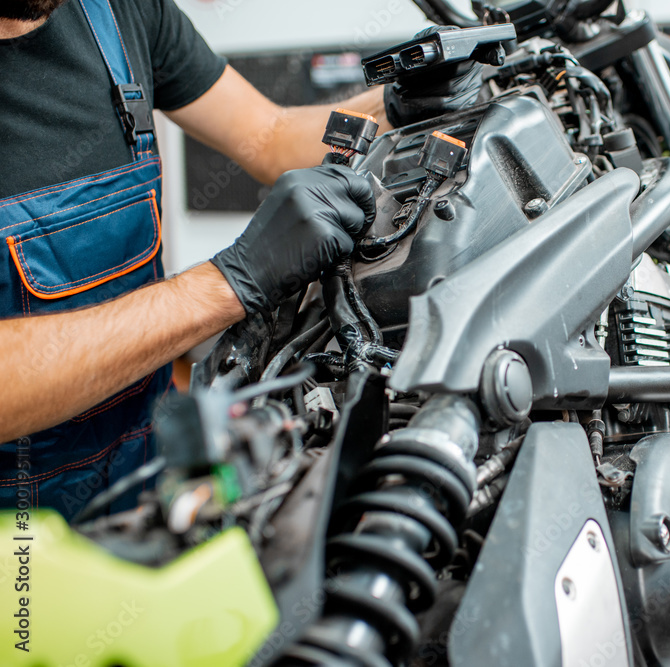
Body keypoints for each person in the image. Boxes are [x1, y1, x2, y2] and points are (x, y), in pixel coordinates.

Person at [0, 0, 481, 518]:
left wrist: (397, 104)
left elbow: (270, 136)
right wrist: (228, 283)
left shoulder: (119, 12)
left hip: (148, 465)